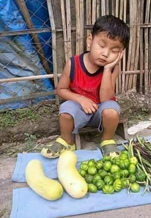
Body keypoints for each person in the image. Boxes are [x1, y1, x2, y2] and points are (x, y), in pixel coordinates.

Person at [41, 15, 130, 158]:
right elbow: (60, 90)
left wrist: (107, 70)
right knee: (66, 110)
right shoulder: (74, 63)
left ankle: (107, 140)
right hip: (79, 111)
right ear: (90, 41)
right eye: (101, 45)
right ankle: (67, 141)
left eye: (114, 51)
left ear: (120, 54)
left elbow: (106, 99)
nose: (105, 53)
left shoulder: (113, 69)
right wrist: (81, 99)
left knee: (112, 110)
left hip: (100, 113)